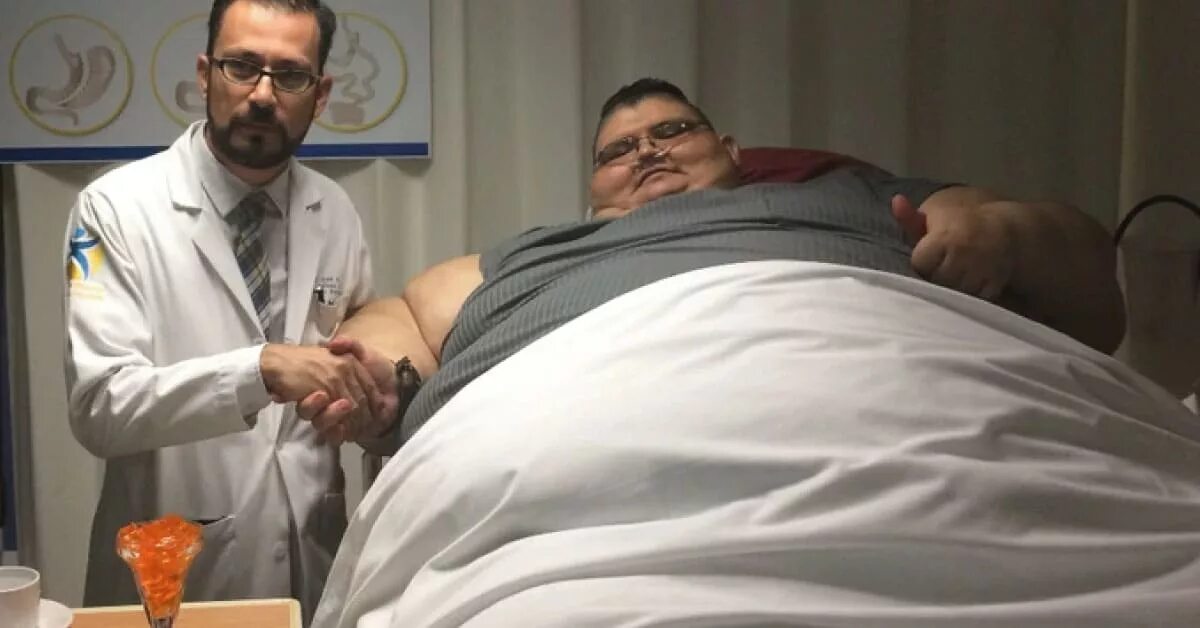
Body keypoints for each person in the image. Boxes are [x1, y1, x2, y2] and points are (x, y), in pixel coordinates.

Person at [297, 77, 1125, 455]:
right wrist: (381, 377)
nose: (647, 151)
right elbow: (403, 315)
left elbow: (1089, 285)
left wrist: (1002, 235)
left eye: (673, 132)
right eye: (619, 150)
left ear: (730, 150)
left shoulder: (860, 196)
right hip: (581, 435)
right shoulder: (534, 256)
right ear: (593, 190)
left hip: (909, 408)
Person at [62, 0, 387, 620]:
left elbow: (356, 364)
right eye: (242, 66)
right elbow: (99, 408)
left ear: (319, 95)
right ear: (205, 74)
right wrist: (260, 370)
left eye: (289, 75)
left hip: (311, 566)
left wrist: (368, 410)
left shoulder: (335, 211)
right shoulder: (111, 211)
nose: (262, 94)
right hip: (175, 577)